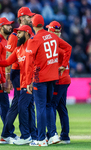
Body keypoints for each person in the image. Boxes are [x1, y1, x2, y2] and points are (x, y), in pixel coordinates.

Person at [25, 14, 72, 146]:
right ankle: (52, 135)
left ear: (33, 25)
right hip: (53, 78)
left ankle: (41, 139)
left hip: (40, 78)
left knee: (40, 108)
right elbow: (68, 47)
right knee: (49, 106)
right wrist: (63, 65)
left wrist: (28, 81)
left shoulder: (34, 40)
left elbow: (28, 63)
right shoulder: (53, 36)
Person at [0, 25, 36, 145]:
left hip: (30, 84)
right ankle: (30, 135)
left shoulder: (32, 46)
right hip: (23, 84)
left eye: (19, 33)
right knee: (22, 107)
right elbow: (7, 62)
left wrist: (32, 81)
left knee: (23, 107)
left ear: (26, 33)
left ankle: (28, 135)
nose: (17, 35)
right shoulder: (18, 49)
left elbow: (36, 65)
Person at [1, 7, 37, 144]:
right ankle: (10, 133)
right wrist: (8, 78)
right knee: (19, 104)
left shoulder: (29, 34)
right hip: (17, 73)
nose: (31, 19)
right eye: (29, 17)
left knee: (26, 104)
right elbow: (9, 57)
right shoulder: (15, 36)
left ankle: (29, 132)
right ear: (21, 18)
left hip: (26, 72)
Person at [46, 21, 71, 144]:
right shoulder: (62, 43)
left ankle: (52, 133)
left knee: (51, 105)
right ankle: (65, 135)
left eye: (49, 30)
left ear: (51, 31)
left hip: (59, 80)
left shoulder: (56, 45)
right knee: (61, 107)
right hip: (64, 79)